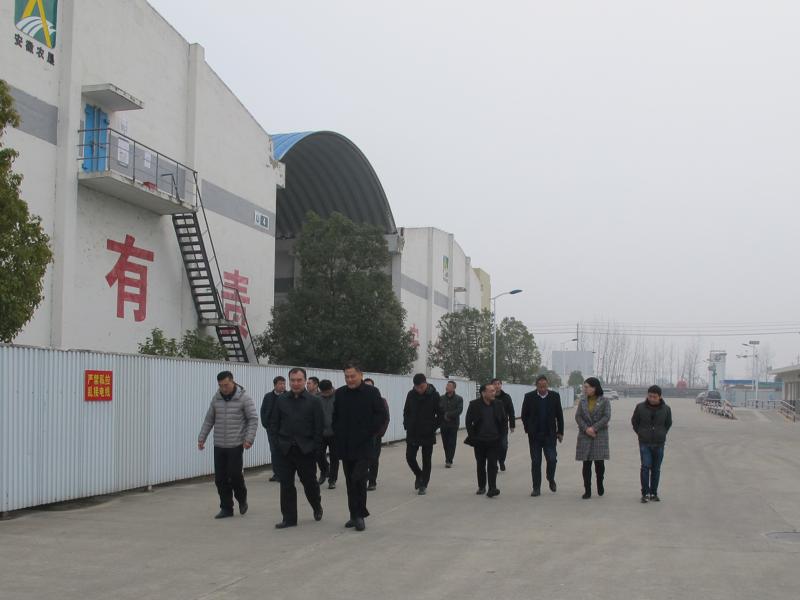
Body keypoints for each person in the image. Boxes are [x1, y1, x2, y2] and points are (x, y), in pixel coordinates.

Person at [333, 363, 387, 532]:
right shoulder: (340, 393)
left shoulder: (372, 392)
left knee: (358, 479)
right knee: (350, 482)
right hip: (346, 445)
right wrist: (338, 433)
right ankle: (353, 514)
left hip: (364, 445)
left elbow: (381, 414)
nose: (349, 379)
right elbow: (335, 416)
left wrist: (370, 431)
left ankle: (360, 515)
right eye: (347, 377)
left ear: (360, 375)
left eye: (352, 376)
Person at [198, 371, 258, 519]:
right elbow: (209, 419)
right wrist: (202, 438)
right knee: (220, 479)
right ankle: (226, 508)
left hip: (235, 444)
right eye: (220, 386)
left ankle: (242, 499)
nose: (223, 388)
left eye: (226, 385)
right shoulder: (216, 398)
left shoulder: (244, 398)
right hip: (219, 444)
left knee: (234, 475)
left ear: (232, 381)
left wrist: (249, 439)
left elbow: (253, 419)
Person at [268, 367, 324, 529]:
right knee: (286, 485)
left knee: (309, 483)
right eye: (292, 380)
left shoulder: (314, 401)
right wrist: (277, 444)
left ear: (305, 381)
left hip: (306, 450)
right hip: (285, 449)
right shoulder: (281, 400)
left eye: (299, 380)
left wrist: (316, 449)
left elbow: (319, 428)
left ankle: (316, 505)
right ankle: (289, 518)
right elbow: (274, 424)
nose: (296, 383)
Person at [521, 375, 564, 496]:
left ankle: (550, 478)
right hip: (534, 436)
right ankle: (536, 488)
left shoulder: (555, 396)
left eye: (545, 386)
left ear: (547, 385)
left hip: (550, 435)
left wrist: (560, 432)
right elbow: (524, 415)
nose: (543, 389)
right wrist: (528, 428)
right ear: (536, 386)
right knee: (536, 462)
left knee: (552, 459)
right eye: (540, 387)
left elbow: (559, 415)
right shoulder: (529, 397)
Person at [631, 385, 673, 503]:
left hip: (659, 443)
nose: (652, 399)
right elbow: (634, 422)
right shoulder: (640, 407)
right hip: (645, 442)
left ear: (660, 397)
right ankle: (645, 493)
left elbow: (668, 423)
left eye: (655, 397)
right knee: (645, 467)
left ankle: (654, 493)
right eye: (650, 396)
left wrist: (662, 433)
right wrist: (641, 433)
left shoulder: (666, 409)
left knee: (656, 469)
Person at [464, 383, 506, 497]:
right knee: (481, 464)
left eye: (494, 391)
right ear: (483, 393)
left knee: (492, 464)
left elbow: (503, 420)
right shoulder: (474, 405)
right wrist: (472, 437)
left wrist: (502, 435)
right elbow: (468, 422)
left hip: (494, 440)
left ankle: (492, 488)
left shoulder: (498, 404)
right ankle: (482, 486)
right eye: (491, 391)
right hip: (480, 440)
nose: (494, 393)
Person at [403, 373, 442, 495]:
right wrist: (407, 424)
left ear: (426, 383)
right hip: (413, 431)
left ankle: (423, 484)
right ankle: (419, 474)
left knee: (426, 459)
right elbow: (406, 411)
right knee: (410, 457)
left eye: (421, 387)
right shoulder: (411, 394)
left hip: (427, 433)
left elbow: (440, 414)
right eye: (417, 387)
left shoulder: (434, 395)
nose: (419, 390)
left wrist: (433, 427)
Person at [575, 377, 611, 499]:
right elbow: (578, 416)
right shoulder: (582, 401)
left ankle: (600, 483)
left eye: (587, 387)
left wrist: (594, 428)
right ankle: (587, 490)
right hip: (585, 435)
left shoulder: (605, 401)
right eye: (584, 387)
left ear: (594, 388)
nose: (584, 389)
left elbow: (606, 416)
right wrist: (586, 429)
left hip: (599, 435)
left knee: (599, 464)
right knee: (586, 464)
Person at [364, 378, 391, 491]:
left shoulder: (381, 401)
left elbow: (386, 418)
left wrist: (380, 432)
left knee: (374, 458)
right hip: (362, 435)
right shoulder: (359, 400)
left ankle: (372, 481)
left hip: (375, 434)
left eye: (370, 386)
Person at [260, 375, 286, 482]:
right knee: (274, 451)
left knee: (284, 451)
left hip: (285, 430)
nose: (283, 386)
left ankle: (284, 473)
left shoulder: (288, 396)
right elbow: (263, 410)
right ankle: (276, 474)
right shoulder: (268, 396)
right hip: (272, 429)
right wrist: (265, 424)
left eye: (284, 383)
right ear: (275, 385)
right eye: (280, 384)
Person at [317, 379, 339, 489]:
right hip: (321, 433)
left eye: (327, 392)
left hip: (335, 433)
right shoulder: (317, 399)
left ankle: (332, 479)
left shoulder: (338, 397)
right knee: (318, 454)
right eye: (323, 392)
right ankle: (324, 471)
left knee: (334, 457)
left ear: (331, 388)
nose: (325, 394)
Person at [491, 378, 515, 471]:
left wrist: (512, 425)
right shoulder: (489, 396)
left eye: (498, 384)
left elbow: (511, 411)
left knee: (503, 445)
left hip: (503, 426)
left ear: (501, 385)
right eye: (495, 384)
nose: (497, 386)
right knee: (493, 446)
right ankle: (494, 464)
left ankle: (501, 461)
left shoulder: (506, 397)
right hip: (491, 426)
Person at [440, 380, 464, 468]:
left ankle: (449, 460)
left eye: (449, 386)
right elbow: (439, 409)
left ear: (454, 388)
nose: (447, 387)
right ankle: (447, 457)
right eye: (447, 385)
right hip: (443, 424)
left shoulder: (459, 399)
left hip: (453, 424)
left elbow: (459, 410)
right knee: (445, 443)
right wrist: (443, 415)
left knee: (451, 442)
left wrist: (448, 415)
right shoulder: (441, 398)